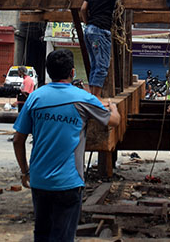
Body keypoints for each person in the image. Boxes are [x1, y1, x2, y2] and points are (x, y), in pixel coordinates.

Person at [13, 50, 120, 242]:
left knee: (42, 234)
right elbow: (114, 121)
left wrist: (24, 172)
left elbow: (17, 140)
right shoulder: (82, 98)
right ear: (72, 72)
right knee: (63, 237)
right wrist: (113, 107)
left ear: (48, 72)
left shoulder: (35, 98)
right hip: (68, 183)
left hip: (39, 181)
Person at [79, 0, 147, 98]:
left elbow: (83, 9)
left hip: (90, 30)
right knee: (102, 65)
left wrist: (88, 23)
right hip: (100, 31)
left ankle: (93, 96)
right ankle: (96, 97)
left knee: (95, 65)